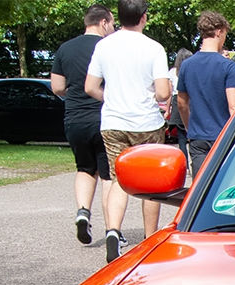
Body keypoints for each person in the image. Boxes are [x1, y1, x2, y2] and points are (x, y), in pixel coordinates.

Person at [85, 0, 172, 262]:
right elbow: (163, 92)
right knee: (151, 184)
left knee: (117, 178)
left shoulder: (104, 45)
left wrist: (110, 99)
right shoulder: (153, 48)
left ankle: (113, 231)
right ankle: (149, 239)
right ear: (144, 17)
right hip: (146, 123)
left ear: (118, 18)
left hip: (113, 122)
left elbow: (90, 86)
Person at [51, 4, 115, 246]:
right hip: (104, 117)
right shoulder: (108, 47)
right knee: (108, 175)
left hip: (75, 117)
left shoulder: (65, 49)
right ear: (103, 22)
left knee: (84, 168)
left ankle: (82, 212)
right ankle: (112, 229)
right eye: (112, 23)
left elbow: (57, 87)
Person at [176, 12, 235, 180]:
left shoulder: (186, 65)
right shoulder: (227, 66)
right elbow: (234, 106)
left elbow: (182, 104)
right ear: (219, 31)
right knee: (223, 186)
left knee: (200, 186)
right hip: (223, 135)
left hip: (198, 137)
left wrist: (190, 128)